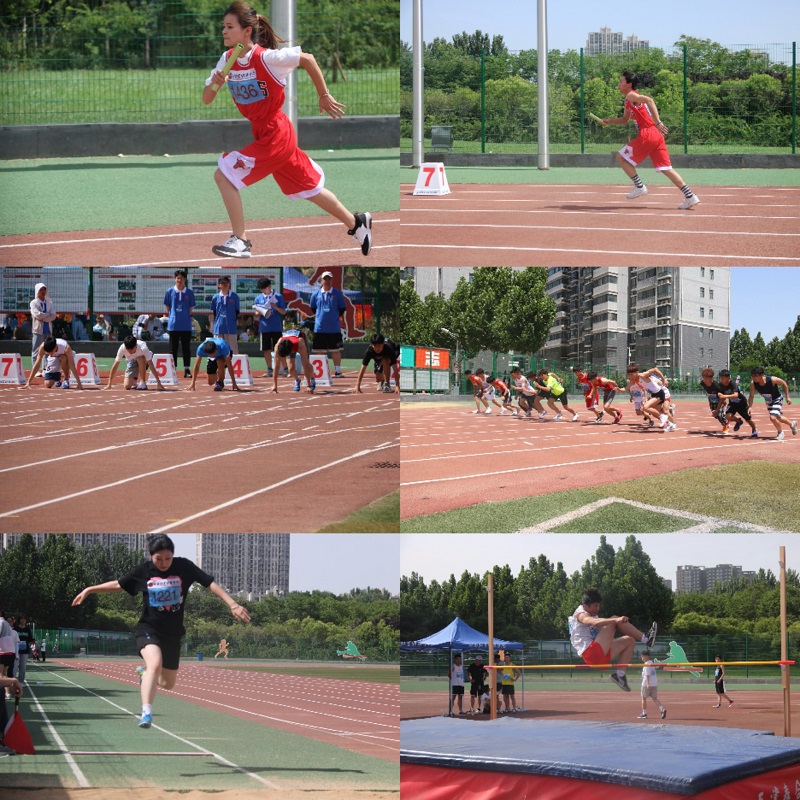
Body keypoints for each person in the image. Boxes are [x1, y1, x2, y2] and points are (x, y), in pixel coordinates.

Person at [203, 2, 372, 259]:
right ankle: (356, 223)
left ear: (247, 31)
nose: (223, 31)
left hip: (277, 133)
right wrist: (215, 84)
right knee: (309, 188)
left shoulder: (267, 58)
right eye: (223, 26)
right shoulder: (227, 60)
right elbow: (206, 99)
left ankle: (241, 240)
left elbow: (308, 59)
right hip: (264, 133)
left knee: (223, 176)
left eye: (229, 26)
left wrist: (323, 95)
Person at [72, 534, 251, 728]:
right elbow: (118, 584)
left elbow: (209, 584)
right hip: (148, 629)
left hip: (173, 634)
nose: (164, 563)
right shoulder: (144, 571)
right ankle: (146, 712)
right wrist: (89, 590)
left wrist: (233, 605)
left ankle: (144, 675)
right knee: (155, 663)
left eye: (168, 558)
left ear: (173, 555)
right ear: (151, 556)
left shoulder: (184, 567)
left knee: (167, 684)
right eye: (158, 559)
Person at [602, 70, 700, 210]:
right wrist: (609, 121)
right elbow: (624, 120)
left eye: (621, 81)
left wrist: (658, 121)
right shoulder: (628, 100)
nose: (618, 84)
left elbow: (650, 100)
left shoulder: (631, 95)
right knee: (666, 168)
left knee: (620, 157)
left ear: (629, 84)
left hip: (648, 133)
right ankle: (690, 196)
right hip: (656, 136)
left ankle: (639, 186)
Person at [568, 587, 657, 692]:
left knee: (630, 641)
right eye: (595, 606)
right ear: (585, 606)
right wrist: (616, 620)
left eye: (599, 605)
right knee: (614, 619)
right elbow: (593, 622)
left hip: (599, 655)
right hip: (591, 652)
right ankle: (646, 639)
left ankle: (620, 675)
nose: (598, 608)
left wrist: (615, 626)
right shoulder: (581, 614)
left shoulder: (593, 615)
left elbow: (603, 630)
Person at [309, 271, 347, 378]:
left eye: (329, 279)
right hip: (319, 328)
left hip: (334, 328)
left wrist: (333, 317)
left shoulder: (338, 294)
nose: (327, 281)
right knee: (319, 351)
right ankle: (322, 372)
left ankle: (337, 371)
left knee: (336, 350)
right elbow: (313, 308)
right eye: (325, 279)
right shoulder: (315, 294)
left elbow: (342, 308)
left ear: (332, 280)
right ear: (321, 280)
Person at [748, 367, 796, 441]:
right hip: (769, 402)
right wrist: (750, 407)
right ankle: (792, 424)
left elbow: (783, 383)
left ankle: (780, 432)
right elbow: (751, 396)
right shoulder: (753, 383)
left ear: (762, 375)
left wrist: (787, 397)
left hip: (777, 399)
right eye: (753, 376)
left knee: (772, 417)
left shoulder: (772, 380)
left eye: (756, 376)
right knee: (777, 417)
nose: (754, 378)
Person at [253, 277, 288, 378]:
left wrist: (275, 307)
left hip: (276, 327)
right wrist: (263, 310)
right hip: (264, 328)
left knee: (280, 349)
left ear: (270, 286)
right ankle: (269, 369)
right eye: (262, 289)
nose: (264, 290)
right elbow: (256, 313)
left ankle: (285, 369)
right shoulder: (258, 298)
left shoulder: (278, 296)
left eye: (265, 288)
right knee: (266, 349)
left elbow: (284, 312)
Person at [164, 270, 196, 379]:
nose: (179, 280)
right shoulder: (169, 291)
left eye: (181, 278)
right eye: (178, 278)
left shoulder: (189, 293)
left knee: (186, 349)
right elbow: (168, 307)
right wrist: (174, 316)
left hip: (186, 325)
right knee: (173, 349)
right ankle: (173, 370)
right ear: (175, 279)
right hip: (173, 325)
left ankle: (187, 370)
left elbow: (190, 309)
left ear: (185, 279)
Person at [626, 364, 676, 432]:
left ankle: (672, 423)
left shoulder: (652, 379)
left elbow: (660, 383)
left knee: (665, 410)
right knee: (657, 411)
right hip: (655, 395)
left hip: (664, 393)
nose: (630, 377)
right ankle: (668, 420)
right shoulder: (638, 381)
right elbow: (647, 391)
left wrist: (664, 380)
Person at [272, 328, 316, 393]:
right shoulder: (277, 346)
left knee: (307, 363)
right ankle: (297, 380)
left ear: (291, 350)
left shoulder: (300, 343)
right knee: (291, 369)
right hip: (288, 343)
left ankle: (312, 379)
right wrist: (274, 385)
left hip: (300, 338)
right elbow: (276, 366)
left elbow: (305, 365)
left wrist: (308, 386)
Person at [717, 370, 758, 438]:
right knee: (728, 416)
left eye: (723, 378)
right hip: (732, 404)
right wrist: (717, 409)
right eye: (720, 378)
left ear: (728, 377)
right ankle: (738, 421)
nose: (721, 379)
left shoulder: (733, 384)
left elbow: (736, 395)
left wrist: (724, 396)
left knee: (748, 419)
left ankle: (754, 429)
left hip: (741, 403)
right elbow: (721, 398)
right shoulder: (721, 386)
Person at [209, 276, 241, 354]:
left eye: (227, 282)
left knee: (232, 350)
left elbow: (237, 312)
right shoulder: (215, 297)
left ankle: (232, 362)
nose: (225, 284)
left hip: (230, 328)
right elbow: (214, 312)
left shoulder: (234, 296)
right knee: (217, 350)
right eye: (223, 283)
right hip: (218, 328)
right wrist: (212, 325)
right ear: (219, 285)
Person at [30, 283, 57, 370]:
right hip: (38, 330)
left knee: (48, 349)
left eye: (44, 290)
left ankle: (46, 368)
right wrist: (48, 315)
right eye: (41, 290)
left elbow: (53, 316)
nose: (43, 292)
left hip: (48, 329)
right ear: (37, 291)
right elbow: (38, 315)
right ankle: (36, 369)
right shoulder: (33, 303)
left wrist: (44, 318)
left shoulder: (49, 302)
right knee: (36, 350)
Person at [638, 650, 667, 720]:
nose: (642, 658)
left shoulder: (647, 664)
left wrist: (648, 684)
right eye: (641, 656)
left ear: (646, 656)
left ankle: (644, 713)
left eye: (643, 656)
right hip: (654, 684)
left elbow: (647, 675)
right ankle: (662, 709)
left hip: (646, 684)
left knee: (643, 698)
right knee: (654, 698)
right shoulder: (651, 662)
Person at [698, 368, 729, 434]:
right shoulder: (702, 383)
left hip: (720, 400)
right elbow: (708, 391)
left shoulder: (716, 385)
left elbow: (723, 394)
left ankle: (726, 425)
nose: (704, 380)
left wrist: (723, 402)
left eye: (706, 378)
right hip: (712, 400)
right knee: (715, 415)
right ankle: (725, 419)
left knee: (719, 414)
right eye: (703, 378)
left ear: (711, 378)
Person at [12, 615, 34, 687]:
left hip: (25, 650)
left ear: (26, 621)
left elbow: (30, 639)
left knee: (23, 667)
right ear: (19, 620)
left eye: (24, 619)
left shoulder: (28, 629)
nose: (23, 620)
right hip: (16, 650)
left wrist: (31, 641)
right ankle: (13, 681)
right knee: (15, 666)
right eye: (22, 619)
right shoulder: (16, 628)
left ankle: (21, 681)